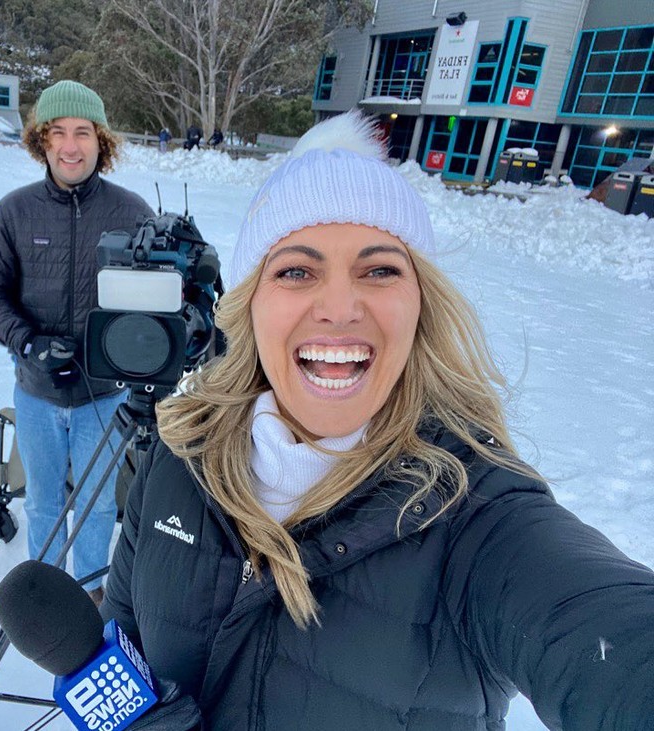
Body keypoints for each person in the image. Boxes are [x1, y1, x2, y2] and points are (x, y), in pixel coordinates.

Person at [101, 111, 654, 729]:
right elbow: (122, 647)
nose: (339, 308)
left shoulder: (477, 514)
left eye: (380, 270)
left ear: (421, 305)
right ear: (251, 306)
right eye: (296, 271)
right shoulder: (179, 456)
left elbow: (606, 634)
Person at [0, 80, 153, 606]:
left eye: (82, 132)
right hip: (37, 393)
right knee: (43, 502)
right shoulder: (15, 211)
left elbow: (160, 294)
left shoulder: (131, 212)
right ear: (41, 141)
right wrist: (26, 343)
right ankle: (46, 591)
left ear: (101, 140)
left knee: (98, 503)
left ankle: (91, 588)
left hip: (104, 395)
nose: (70, 146)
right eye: (57, 133)